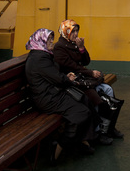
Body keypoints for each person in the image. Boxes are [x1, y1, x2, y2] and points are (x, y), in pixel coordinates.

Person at [25, 28, 100, 164]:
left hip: (51, 93)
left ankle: (83, 141)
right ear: (40, 41)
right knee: (82, 112)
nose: (51, 42)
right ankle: (58, 147)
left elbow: (53, 75)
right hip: (47, 98)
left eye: (51, 39)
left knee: (84, 99)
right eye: (48, 40)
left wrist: (65, 77)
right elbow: (57, 78)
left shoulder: (40, 55)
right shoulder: (39, 59)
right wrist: (67, 79)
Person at [53, 19, 124, 142]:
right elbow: (71, 66)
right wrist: (90, 73)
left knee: (108, 90)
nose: (76, 34)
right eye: (73, 31)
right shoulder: (59, 47)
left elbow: (86, 61)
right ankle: (98, 132)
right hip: (73, 82)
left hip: (82, 78)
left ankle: (109, 128)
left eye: (76, 31)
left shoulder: (74, 43)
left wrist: (81, 48)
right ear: (66, 32)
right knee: (94, 98)